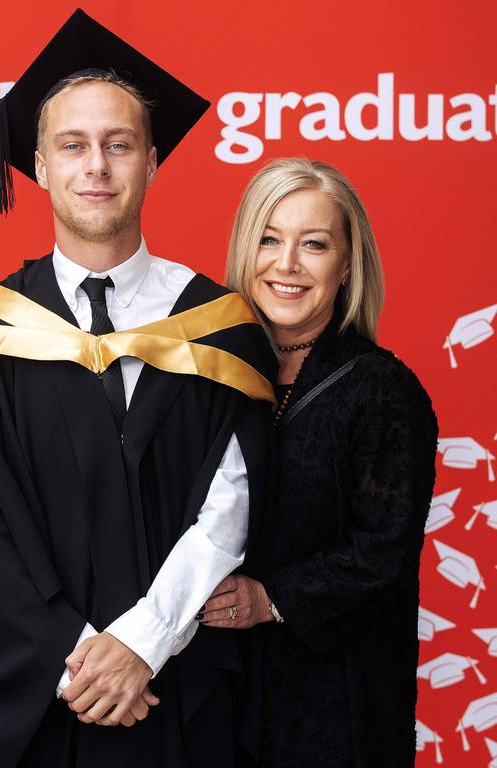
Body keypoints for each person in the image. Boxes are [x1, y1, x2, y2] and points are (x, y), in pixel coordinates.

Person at [0, 10, 277, 768]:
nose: (97, 167)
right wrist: (82, 657)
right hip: (44, 697)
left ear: (152, 161)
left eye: (119, 145)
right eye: (74, 146)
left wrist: (143, 643)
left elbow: (232, 507)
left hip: (179, 688)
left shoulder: (216, 326)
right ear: (40, 164)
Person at [201, 157, 438, 766]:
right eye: (269, 239)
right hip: (222, 697)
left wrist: (267, 597)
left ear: (347, 263)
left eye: (313, 244)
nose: (286, 264)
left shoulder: (381, 389)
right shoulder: (209, 378)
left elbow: (382, 549)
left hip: (336, 706)